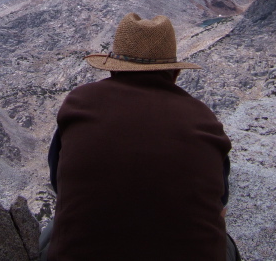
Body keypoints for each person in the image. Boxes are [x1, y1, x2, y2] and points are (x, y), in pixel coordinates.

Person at [41, 13, 240, 261]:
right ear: (174, 72)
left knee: (52, 229)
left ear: (113, 68)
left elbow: (59, 182)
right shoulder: (204, 119)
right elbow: (220, 201)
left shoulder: (79, 103)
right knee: (227, 243)